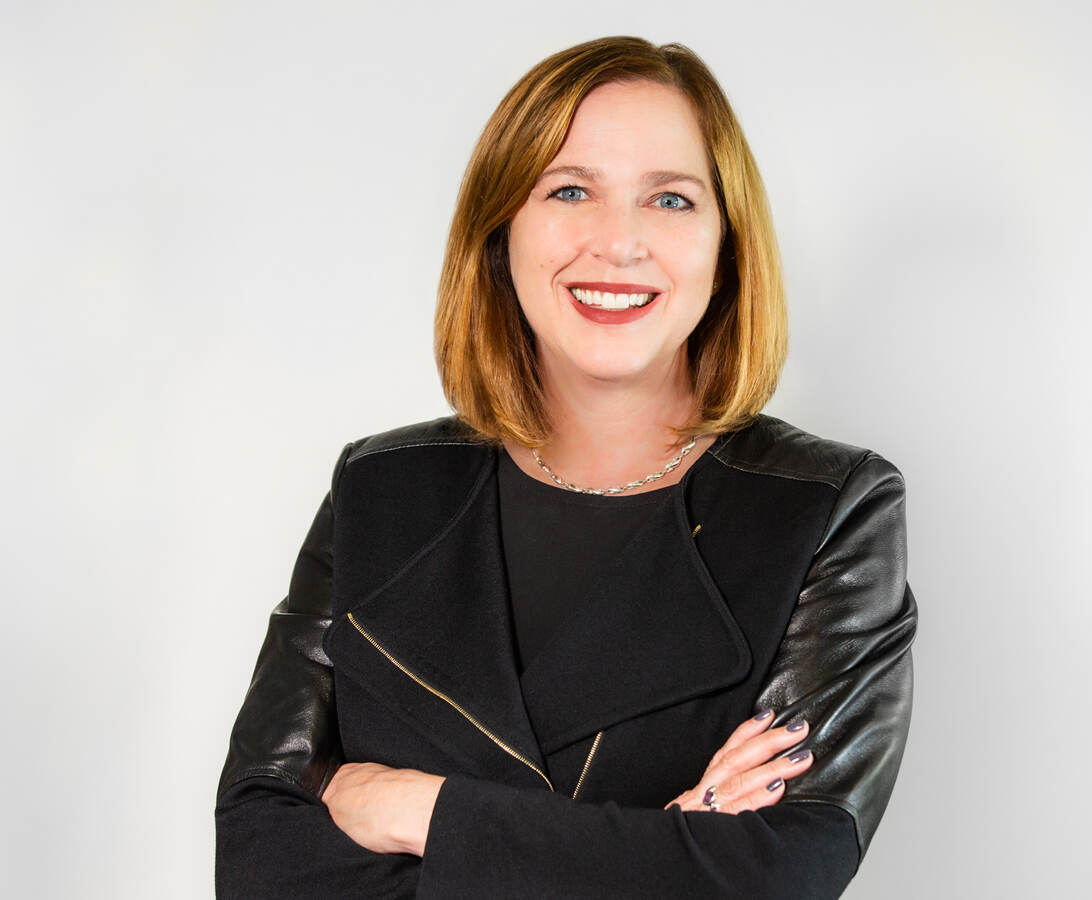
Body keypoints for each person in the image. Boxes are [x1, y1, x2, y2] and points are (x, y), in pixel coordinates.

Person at [215, 36, 917, 899]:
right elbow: (258, 859)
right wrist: (660, 847)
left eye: (669, 198)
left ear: (726, 245)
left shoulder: (825, 510)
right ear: (501, 230)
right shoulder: (380, 488)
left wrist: (419, 807)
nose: (618, 242)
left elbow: (780, 873)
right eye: (571, 189)